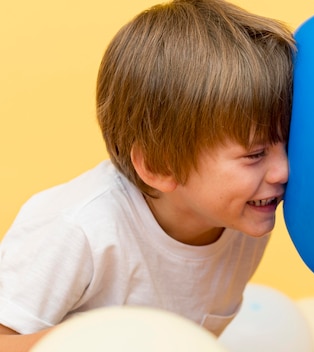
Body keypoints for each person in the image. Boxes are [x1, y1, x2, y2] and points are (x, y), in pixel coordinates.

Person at [0, 0, 294, 350]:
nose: (283, 171)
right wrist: (92, 339)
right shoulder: (78, 228)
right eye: (255, 154)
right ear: (159, 165)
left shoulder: (247, 215)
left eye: (289, 143)